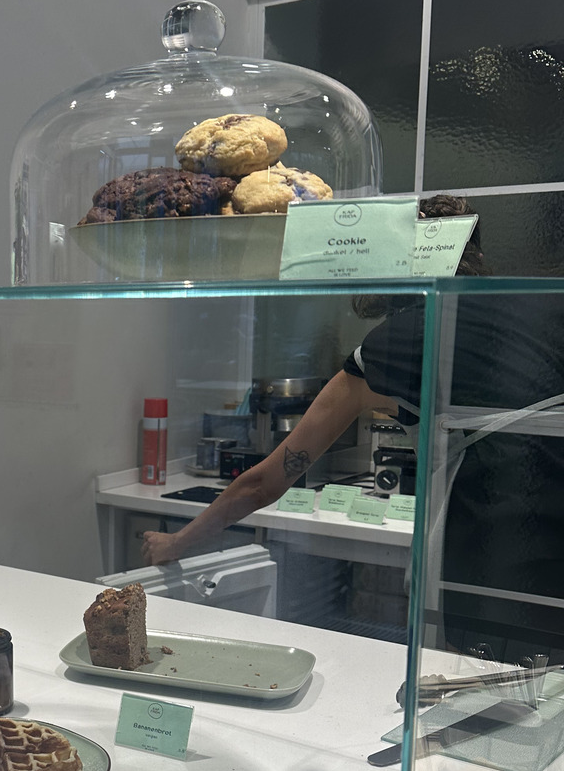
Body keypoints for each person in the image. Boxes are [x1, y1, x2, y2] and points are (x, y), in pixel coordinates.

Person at [143, 201, 564, 659]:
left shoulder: (394, 345)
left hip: (494, 555)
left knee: (492, 698)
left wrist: (176, 543)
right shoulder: (538, 306)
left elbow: (263, 484)